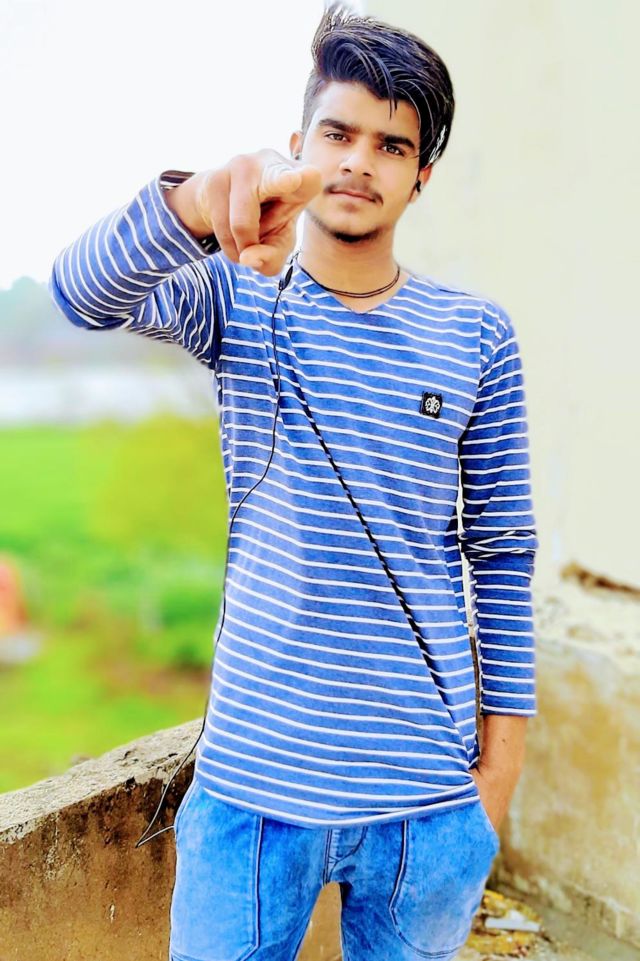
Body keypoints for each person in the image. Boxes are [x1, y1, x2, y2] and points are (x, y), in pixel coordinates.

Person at [48, 4, 539, 960]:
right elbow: (79, 294)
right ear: (297, 144)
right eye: (338, 133)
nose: (359, 161)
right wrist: (198, 204)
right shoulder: (238, 295)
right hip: (252, 791)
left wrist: (497, 780)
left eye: (392, 145)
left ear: (422, 175)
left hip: (429, 801)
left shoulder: (476, 333)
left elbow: (503, 553)